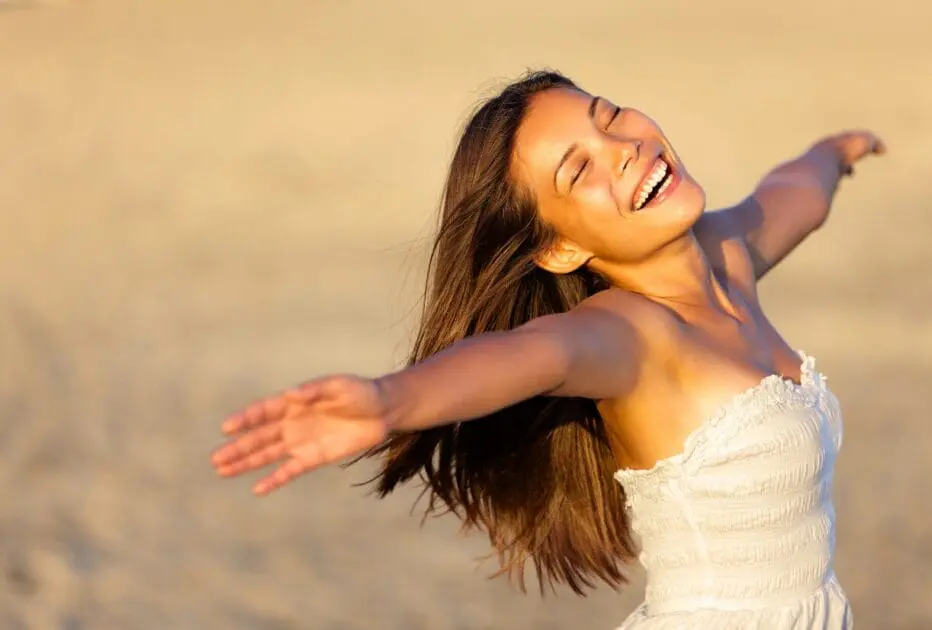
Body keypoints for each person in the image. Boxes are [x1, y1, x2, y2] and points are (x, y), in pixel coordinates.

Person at [210, 70, 884, 629]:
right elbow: (528, 354)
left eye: (609, 115)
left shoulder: (728, 254)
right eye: (577, 168)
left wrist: (835, 152)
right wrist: (392, 400)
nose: (623, 144)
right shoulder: (626, 335)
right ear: (560, 247)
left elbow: (793, 196)